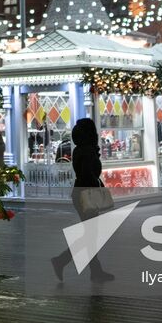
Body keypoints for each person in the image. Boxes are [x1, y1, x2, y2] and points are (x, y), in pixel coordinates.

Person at [50, 117, 115, 282]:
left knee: (91, 234)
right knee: (91, 234)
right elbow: (88, 174)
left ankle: (91, 269)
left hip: (81, 193)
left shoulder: (80, 149)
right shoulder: (87, 151)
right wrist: (97, 187)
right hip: (86, 195)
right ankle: (63, 261)